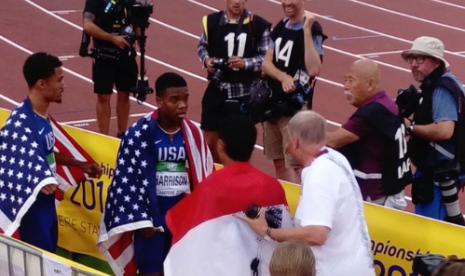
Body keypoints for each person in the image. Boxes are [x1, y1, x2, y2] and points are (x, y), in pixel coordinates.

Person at [97, 72, 215, 276]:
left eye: (185, 99)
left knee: (180, 270)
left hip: (180, 218)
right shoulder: (139, 133)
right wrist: (141, 220)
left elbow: (204, 177)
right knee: (151, 271)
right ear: (159, 101)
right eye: (174, 100)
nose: (182, 105)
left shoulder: (193, 134)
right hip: (152, 219)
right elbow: (125, 181)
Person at [237, 110, 376, 276]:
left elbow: (317, 235)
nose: (286, 148)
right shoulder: (335, 158)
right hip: (353, 267)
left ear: (295, 141)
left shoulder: (319, 175)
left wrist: (268, 232)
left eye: (287, 140)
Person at [163, 114, 292, 276]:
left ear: (220, 146)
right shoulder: (273, 186)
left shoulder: (212, 187)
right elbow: (287, 235)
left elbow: (180, 227)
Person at [0, 52, 102, 253]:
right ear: (41, 84)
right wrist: (40, 177)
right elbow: (12, 160)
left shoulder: (41, 116)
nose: (63, 85)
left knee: (49, 258)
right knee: (40, 262)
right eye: (59, 80)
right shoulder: (20, 123)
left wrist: (78, 164)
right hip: (33, 207)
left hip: (47, 205)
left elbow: (42, 154)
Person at [326, 59, 412, 210]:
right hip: (392, 189)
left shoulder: (371, 114)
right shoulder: (387, 103)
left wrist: (304, 128)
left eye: (351, 81)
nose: (346, 86)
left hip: (377, 197)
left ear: (370, 84)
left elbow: (332, 141)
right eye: (345, 80)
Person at [399, 36, 465, 225]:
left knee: (431, 229)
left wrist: (410, 128)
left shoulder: (441, 89)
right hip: (442, 170)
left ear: (436, 62)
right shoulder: (447, 82)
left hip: (438, 173)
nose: (413, 64)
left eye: (420, 59)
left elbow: (444, 131)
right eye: (411, 59)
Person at [197, 0, 272, 163]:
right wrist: (207, 61)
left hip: (244, 92)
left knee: (238, 143)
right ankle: (218, 172)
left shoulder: (258, 25)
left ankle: (236, 175)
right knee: (210, 138)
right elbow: (202, 46)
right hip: (217, 87)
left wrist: (246, 63)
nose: (237, 2)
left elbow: (267, 57)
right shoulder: (212, 21)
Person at [260, 0, 325, 183]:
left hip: (293, 110)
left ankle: (305, 204)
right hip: (272, 104)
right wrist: (284, 77)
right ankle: (287, 205)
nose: (287, 3)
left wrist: (306, 31)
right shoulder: (281, 25)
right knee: (279, 162)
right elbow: (265, 62)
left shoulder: (314, 29)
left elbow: (313, 69)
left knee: (298, 164)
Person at [82, 0, 139, 137]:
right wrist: (112, 39)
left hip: (126, 53)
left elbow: (137, 24)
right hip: (104, 53)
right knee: (103, 96)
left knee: (125, 94)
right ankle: (104, 137)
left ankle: (122, 134)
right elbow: (87, 25)